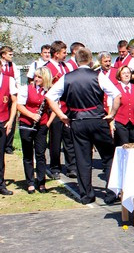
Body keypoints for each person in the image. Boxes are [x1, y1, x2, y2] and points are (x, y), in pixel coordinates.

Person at [46, 48, 121, 205]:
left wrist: (61, 115)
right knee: (108, 157)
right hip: (97, 120)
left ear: (76, 60)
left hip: (78, 121)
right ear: (91, 60)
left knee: (82, 158)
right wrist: (112, 114)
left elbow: (50, 97)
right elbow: (117, 95)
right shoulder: (98, 75)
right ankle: (111, 192)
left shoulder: (67, 77)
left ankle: (86, 195)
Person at [16, 67, 54, 194]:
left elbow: (55, 108)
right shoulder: (26, 89)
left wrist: (47, 123)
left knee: (40, 154)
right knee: (28, 154)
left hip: (41, 126)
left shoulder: (49, 91)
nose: (36, 79)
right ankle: (30, 183)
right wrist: (32, 115)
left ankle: (41, 182)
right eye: (36, 76)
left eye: (39, 77)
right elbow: (19, 105)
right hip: (27, 124)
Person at [44, 40, 77, 179]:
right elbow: (44, 87)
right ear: (56, 54)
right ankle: (55, 167)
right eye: (64, 52)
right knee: (55, 139)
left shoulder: (66, 67)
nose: (66, 55)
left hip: (67, 106)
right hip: (55, 109)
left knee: (69, 138)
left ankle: (71, 167)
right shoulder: (47, 68)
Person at [113, 66, 134, 147]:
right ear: (119, 76)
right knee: (123, 146)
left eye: (128, 73)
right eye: (124, 73)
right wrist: (111, 122)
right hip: (120, 122)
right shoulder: (115, 88)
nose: (126, 75)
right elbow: (110, 105)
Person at [0, 62, 18, 196]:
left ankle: (1, 183)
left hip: (3, 121)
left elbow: (14, 101)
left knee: (0, 155)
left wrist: (11, 120)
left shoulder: (8, 80)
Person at [0, 46, 22, 154]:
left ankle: (8, 144)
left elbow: (17, 80)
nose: (12, 56)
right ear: (3, 55)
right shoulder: (1, 65)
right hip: (2, 96)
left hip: (10, 94)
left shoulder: (13, 66)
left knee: (11, 119)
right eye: (10, 54)